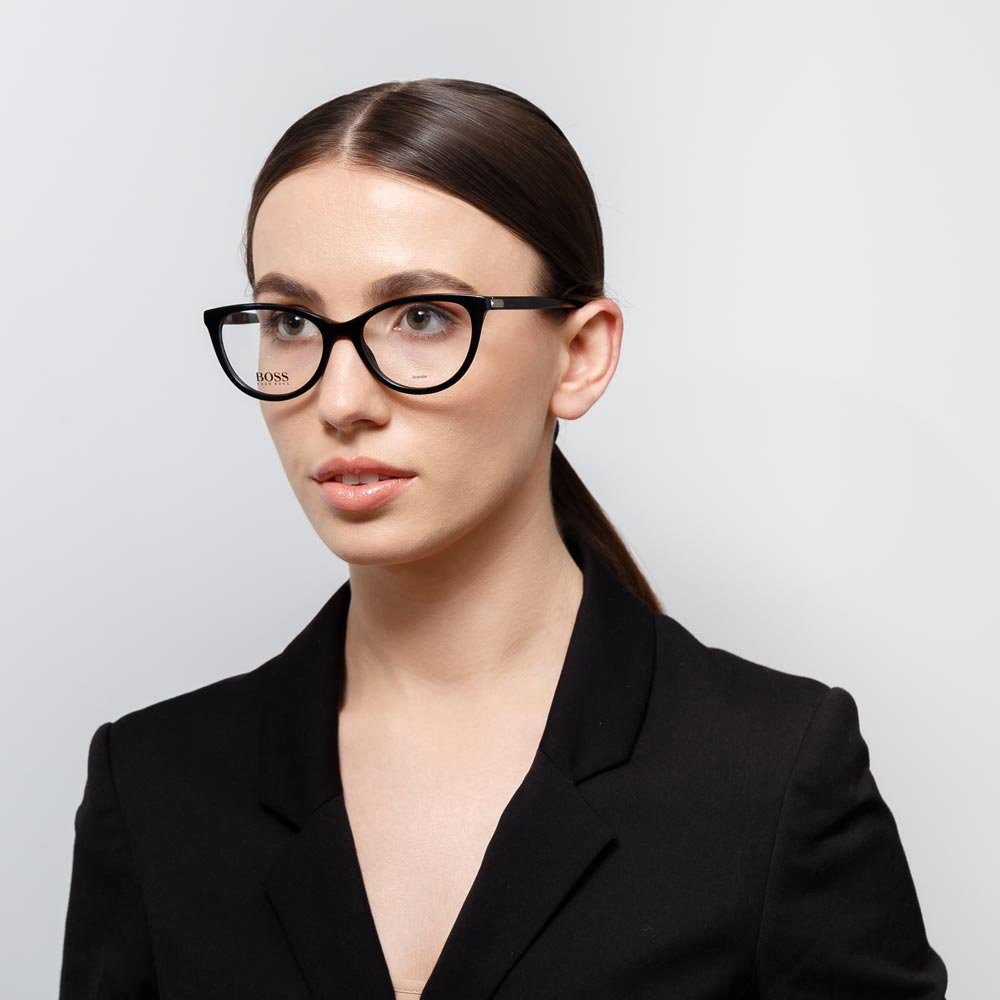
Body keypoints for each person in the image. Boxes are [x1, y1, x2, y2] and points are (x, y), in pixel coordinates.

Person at [59, 78, 948, 1000]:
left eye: (423, 317)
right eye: (290, 321)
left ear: (581, 354)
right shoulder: (153, 783)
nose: (340, 400)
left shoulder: (771, 773)